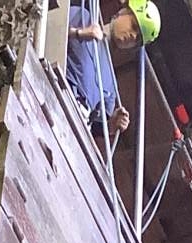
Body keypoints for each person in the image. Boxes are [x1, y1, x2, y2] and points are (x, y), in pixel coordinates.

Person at [65, 0, 160, 139]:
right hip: (54, 86)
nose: (133, 36)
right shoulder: (83, 18)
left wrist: (111, 125)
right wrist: (78, 33)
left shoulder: (111, 85)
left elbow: (95, 127)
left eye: (138, 39)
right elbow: (45, 27)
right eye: (134, 26)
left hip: (75, 124)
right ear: (122, 12)